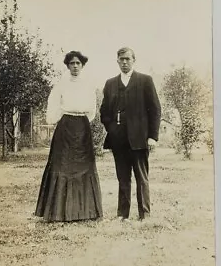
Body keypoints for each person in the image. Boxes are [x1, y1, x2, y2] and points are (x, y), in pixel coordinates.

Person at [35, 51, 103, 222]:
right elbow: (52, 109)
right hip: (65, 127)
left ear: (82, 65)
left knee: (84, 166)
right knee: (61, 165)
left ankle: (86, 212)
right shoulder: (60, 86)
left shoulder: (89, 86)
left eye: (78, 63)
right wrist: (63, 119)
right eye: (71, 63)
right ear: (67, 65)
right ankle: (58, 212)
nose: (75, 66)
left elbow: (92, 111)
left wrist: (81, 122)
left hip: (82, 127)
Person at [100, 47, 161, 221]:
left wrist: (152, 136)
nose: (124, 62)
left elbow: (155, 110)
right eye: (121, 59)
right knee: (123, 178)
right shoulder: (110, 83)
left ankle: (145, 214)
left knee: (142, 178)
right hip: (118, 140)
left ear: (134, 60)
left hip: (140, 139)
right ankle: (122, 214)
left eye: (127, 59)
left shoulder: (145, 81)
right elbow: (104, 111)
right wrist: (111, 128)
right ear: (117, 61)